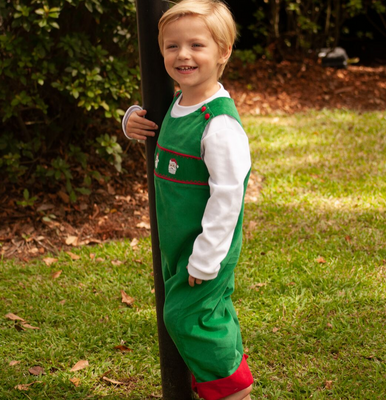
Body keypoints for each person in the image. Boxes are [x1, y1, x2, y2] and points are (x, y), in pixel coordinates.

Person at [122, 1, 253, 399]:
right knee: (195, 314)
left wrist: (206, 257)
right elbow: (156, 124)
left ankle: (234, 391)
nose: (183, 55)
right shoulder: (178, 103)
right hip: (177, 241)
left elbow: (228, 198)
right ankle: (207, 383)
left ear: (223, 51)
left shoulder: (219, 125)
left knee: (190, 317)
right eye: (171, 46)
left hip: (204, 248)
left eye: (197, 45)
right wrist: (131, 121)